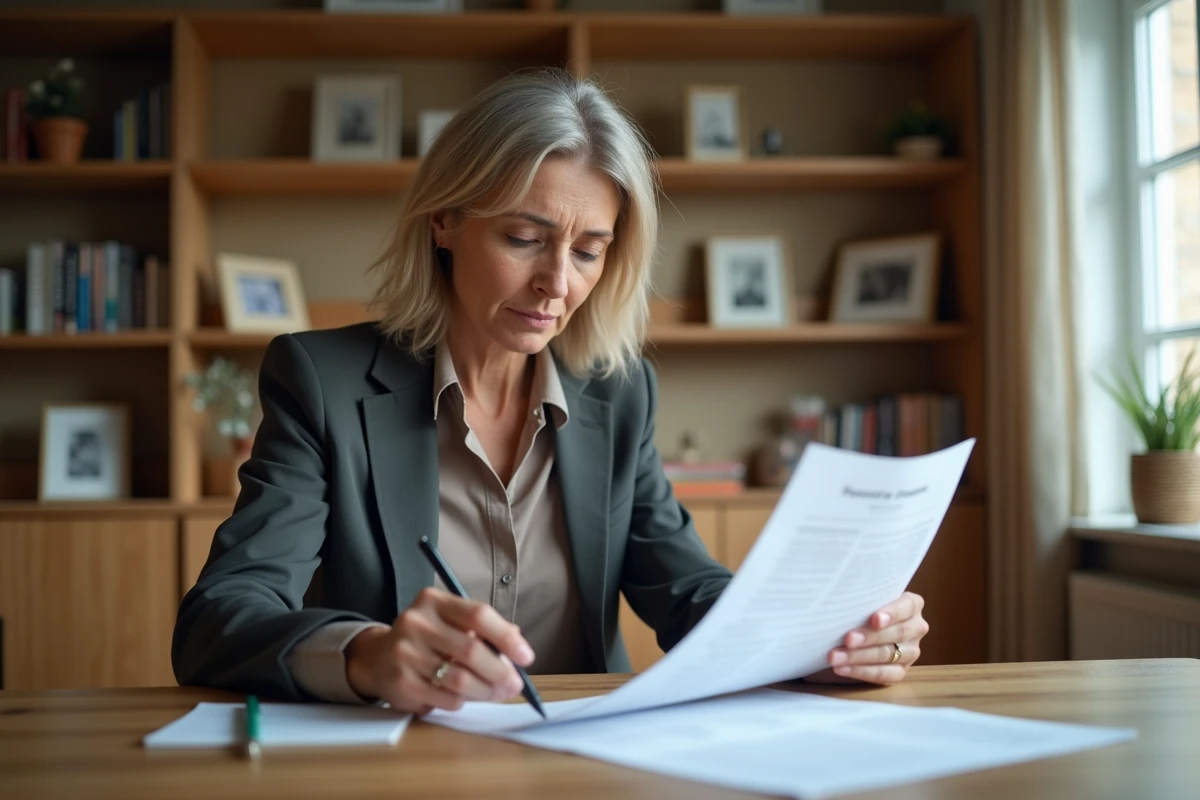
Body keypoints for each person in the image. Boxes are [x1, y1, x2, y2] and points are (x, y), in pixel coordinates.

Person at [172, 68, 929, 715]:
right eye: (523, 239)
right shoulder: (322, 382)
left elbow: (685, 589)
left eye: (590, 251)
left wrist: (822, 640)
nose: (557, 285)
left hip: (589, 757)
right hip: (404, 761)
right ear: (444, 219)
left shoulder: (618, 393)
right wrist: (365, 655)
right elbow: (220, 617)